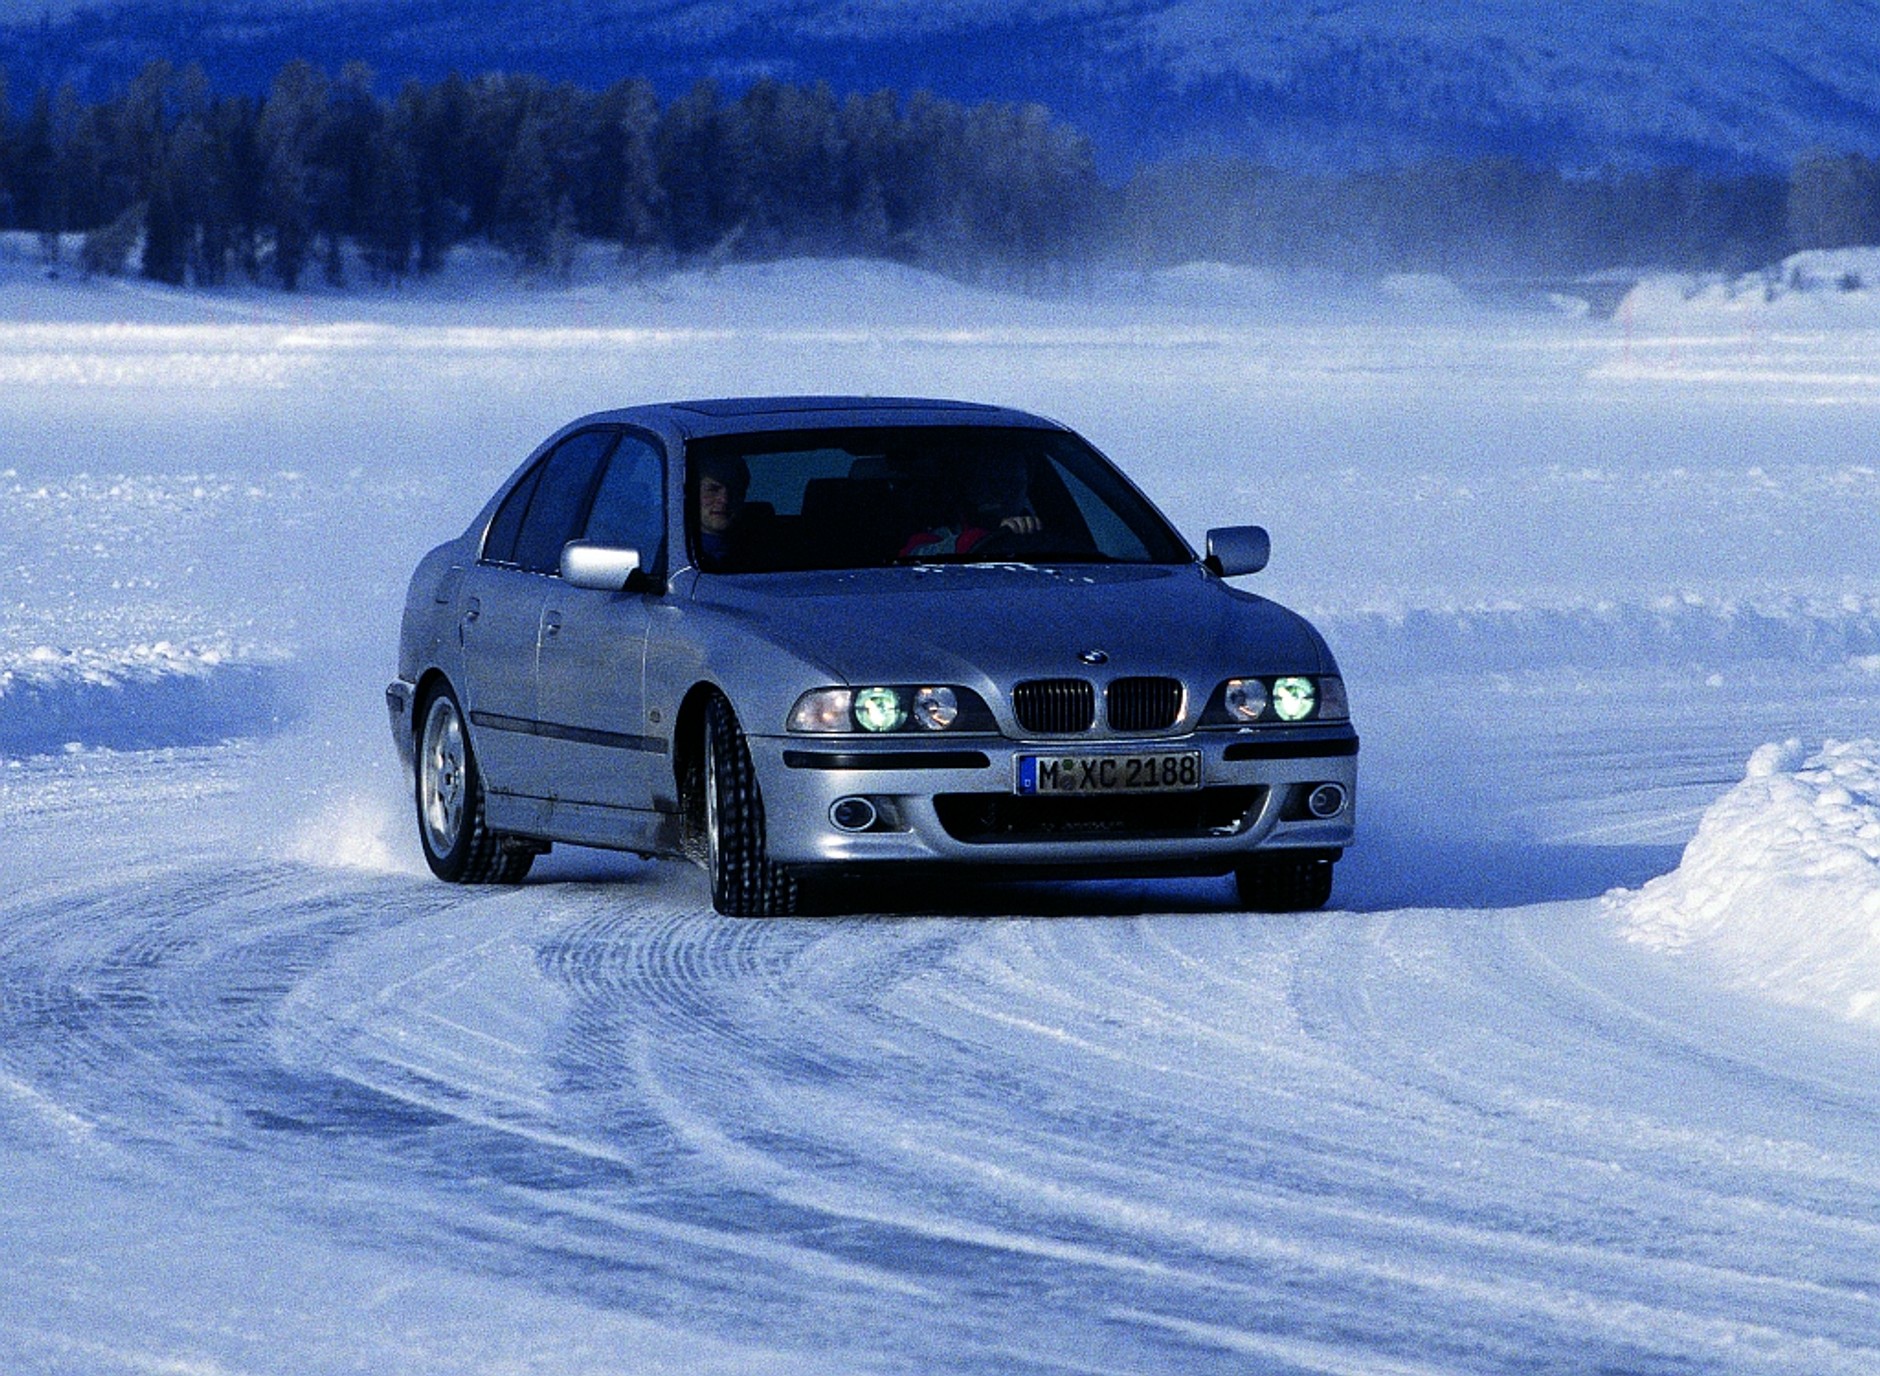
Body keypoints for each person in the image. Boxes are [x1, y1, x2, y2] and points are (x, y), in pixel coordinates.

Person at [898, 454, 1041, 558]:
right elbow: (914, 557)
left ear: (1027, 484)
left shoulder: (1044, 530)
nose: (1004, 492)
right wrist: (984, 537)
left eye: (1014, 482)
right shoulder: (940, 533)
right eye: (992, 482)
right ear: (969, 486)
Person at [692, 452, 753, 571]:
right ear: (693, 495)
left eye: (734, 490)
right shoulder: (673, 554)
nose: (724, 500)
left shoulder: (766, 553)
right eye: (712, 490)